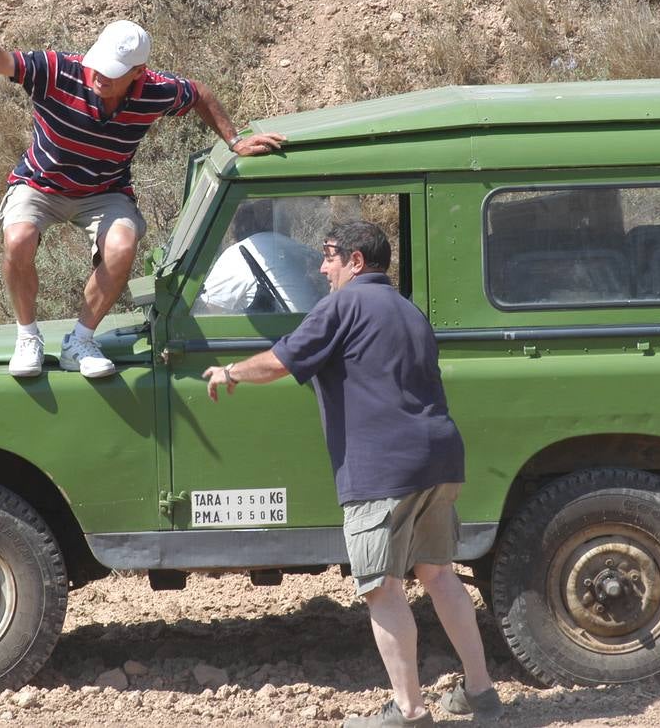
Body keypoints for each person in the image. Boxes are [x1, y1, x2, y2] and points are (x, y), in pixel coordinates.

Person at [203, 221, 503, 727]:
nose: (322, 267)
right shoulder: (409, 309)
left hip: (383, 469)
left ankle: (408, 711)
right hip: (440, 459)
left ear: (357, 261)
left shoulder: (345, 305)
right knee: (438, 575)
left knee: (381, 587)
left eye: (330, 256)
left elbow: (282, 360)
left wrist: (229, 372)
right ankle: (482, 694)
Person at [0, 19, 286, 378]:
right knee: (18, 240)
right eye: (97, 64)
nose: (98, 76)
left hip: (105, 190)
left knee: (122, 246)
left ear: (138, 73)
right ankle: (28, 338)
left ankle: (80, 340)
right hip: (40, 184)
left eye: (112, 73)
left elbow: (199, 94)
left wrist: (234, 140)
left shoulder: (156, 91)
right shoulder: (59, 71)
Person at [195, 198, 326, 314]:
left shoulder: (240, 253)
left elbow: (206, 310)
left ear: (239, 227)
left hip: (284, 335)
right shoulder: (299, 249)